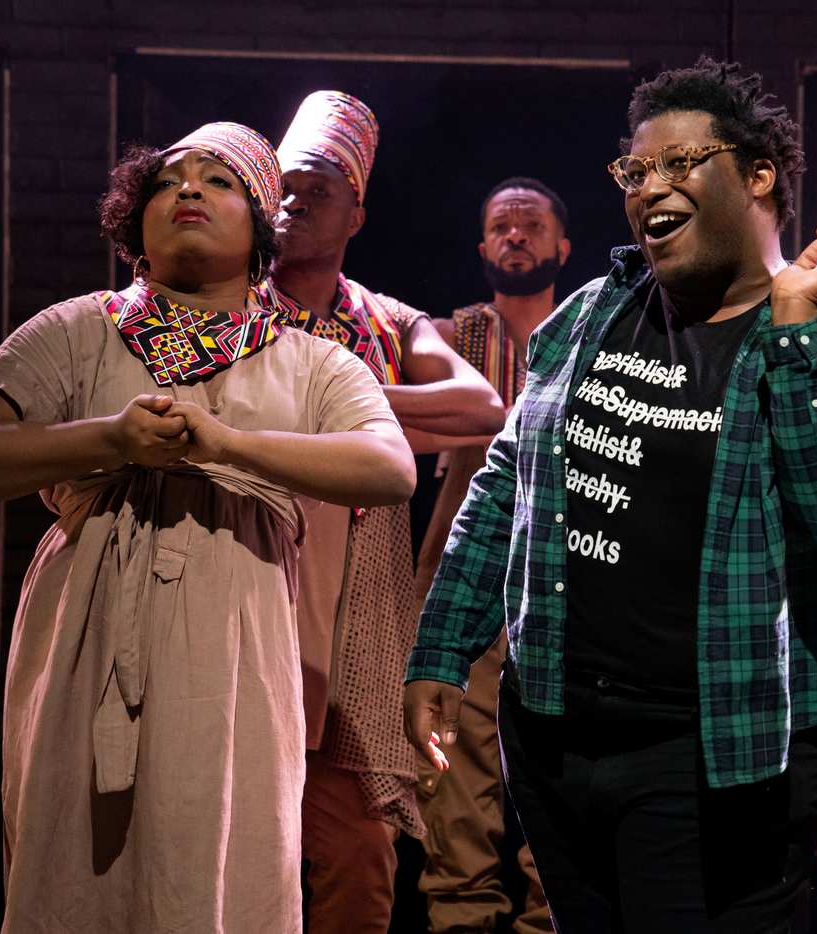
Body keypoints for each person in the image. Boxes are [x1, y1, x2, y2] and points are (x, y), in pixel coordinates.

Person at [404, 57, 817, 933]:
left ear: (759, 174)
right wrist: (441, 649)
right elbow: (508, 485)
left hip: (720, 751)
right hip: (554, 733)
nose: (651, 186)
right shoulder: (589, 315)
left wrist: (797, 325)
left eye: (681, 163)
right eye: (636, 171)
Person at [0, 121, 414, 932]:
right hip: (87, 625)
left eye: (220, 181)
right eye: (167, 181)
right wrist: (108, 439)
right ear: (135, 223)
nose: (188, 190)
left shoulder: (311, 360)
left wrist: (227, 444)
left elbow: (390, 467)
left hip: (237, 640)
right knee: (74, 857)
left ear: (263, 228)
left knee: (221, 857)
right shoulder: (79, 329)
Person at [258, 91, 506, 934]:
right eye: (282, 186)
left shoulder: (386, 321)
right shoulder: (232, 314)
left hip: (357, 618)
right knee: (236, 851)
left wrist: (332, 399)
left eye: (318, 187)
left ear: (357, 211)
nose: (294, 202)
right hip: (258, 587)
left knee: (358, 869)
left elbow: (480, 408)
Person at [413, 175, 570, 934]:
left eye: (532, 225)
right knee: (455, 791)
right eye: (502, 226)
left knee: (559, 788)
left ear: (562, 246)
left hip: (562, 584)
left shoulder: (585, 337)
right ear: (482, 246)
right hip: (466, 582)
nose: (516, 236)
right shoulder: (448, 340)